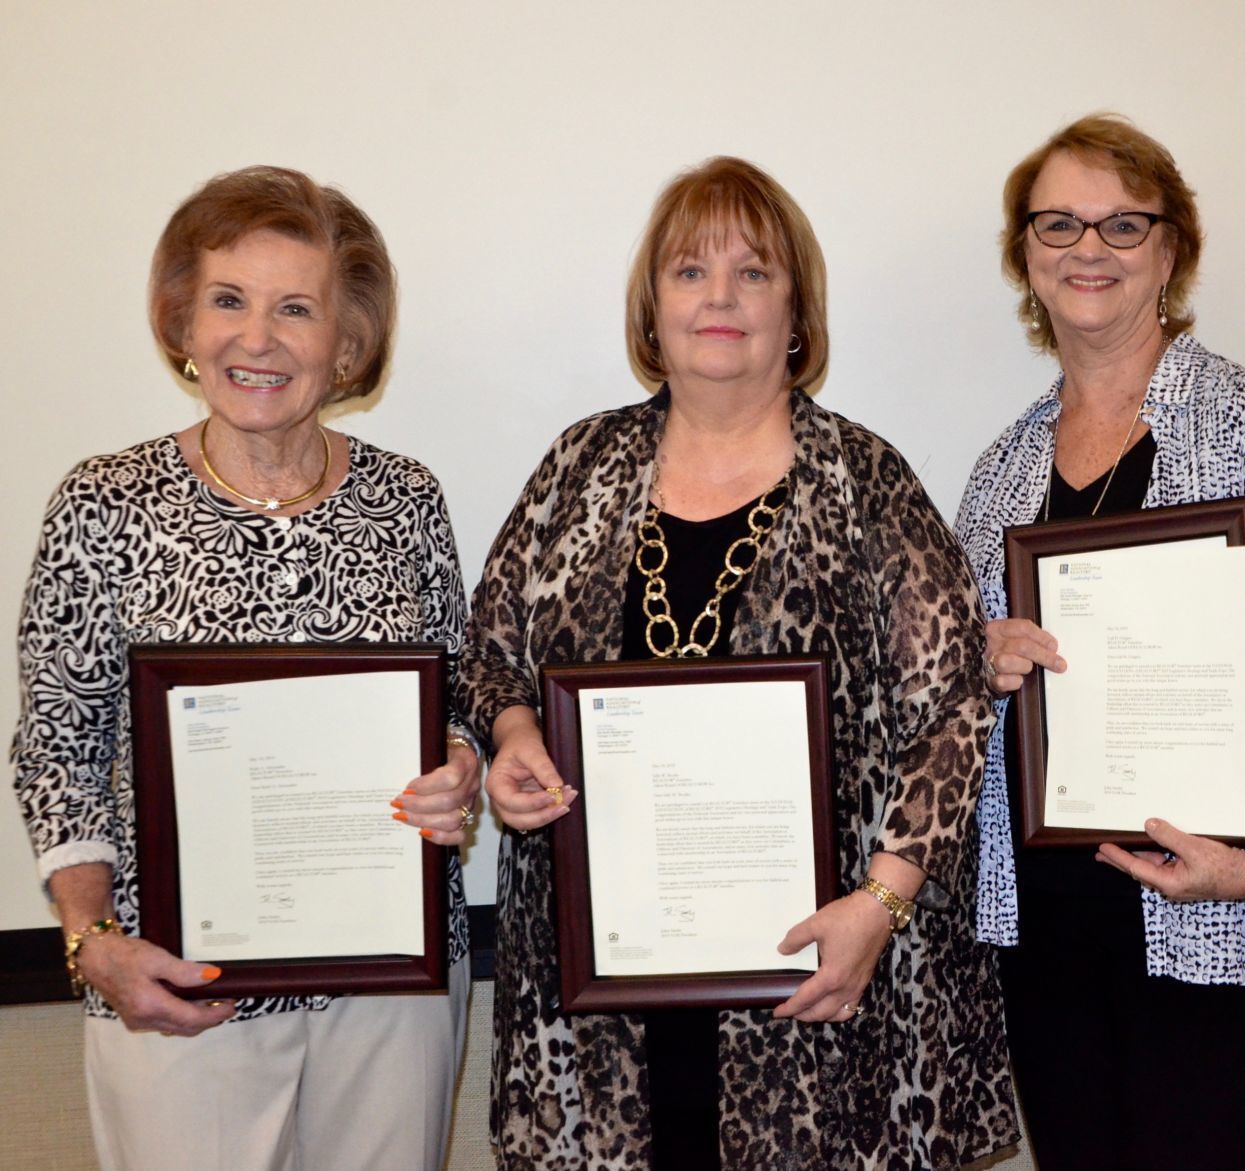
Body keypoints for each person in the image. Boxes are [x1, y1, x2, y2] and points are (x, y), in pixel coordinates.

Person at [458, 156, 1017, 1171]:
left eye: (752, 273)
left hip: (818, 973)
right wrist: (511, 738)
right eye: (688, 272)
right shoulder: (577, 467)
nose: (719, 297)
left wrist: (880, 905)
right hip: (603, 992)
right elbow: (491, 655)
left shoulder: (864, 479)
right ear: (651, 306)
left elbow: (951, 711)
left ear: (795, 310)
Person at [10, 166, 479, 1171]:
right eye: (228, 300)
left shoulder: (408, 501)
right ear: (183, 319)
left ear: (345, 341)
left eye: (295, 308)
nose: (256, 338)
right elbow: (57, 743)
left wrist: (459, 770)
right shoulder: (104, 503)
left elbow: (458, 702)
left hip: (389, 992)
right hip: (177, 988)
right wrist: (92, 942)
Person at [953, 114, 1245, 1169]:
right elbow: (947, 712)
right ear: (1024, 258)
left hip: (1203, 904)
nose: (1087, 249)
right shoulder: (997, 470)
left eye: (1121, 225)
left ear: (1170, 251)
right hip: (1043, 920)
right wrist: (979, 668)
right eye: (1057, 226)